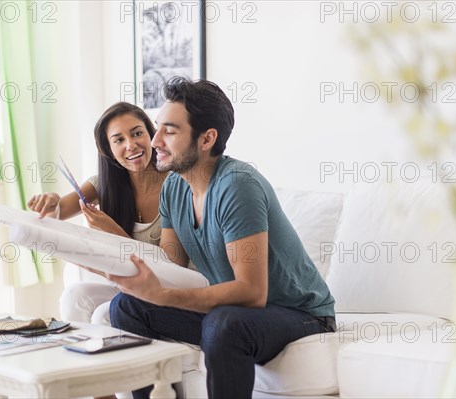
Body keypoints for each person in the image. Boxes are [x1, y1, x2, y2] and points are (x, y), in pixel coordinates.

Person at [106, 78, 336, 399]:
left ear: (206, 139)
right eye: (158, 128)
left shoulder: (237, 185)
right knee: (127, 307)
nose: (155, 140)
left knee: (225, 323)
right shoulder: (173, 187)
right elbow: (170, 267)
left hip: (301, 315)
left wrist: (164, 296)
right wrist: (107, 261)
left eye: (169, 131)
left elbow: (251, 293)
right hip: (241, 316)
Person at [27, 102, 168, 324]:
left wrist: (114, 232)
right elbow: (59, 211)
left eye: (137, 133)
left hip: (164, 287)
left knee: (105, 313)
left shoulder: (176, 186)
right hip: (130, 287)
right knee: (73, 296)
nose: (131, 145)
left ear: (151, 135)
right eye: (119, 140)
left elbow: (168, 267)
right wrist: (51, 202)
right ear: (108, 150)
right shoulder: (104, 185)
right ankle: (84, 356)